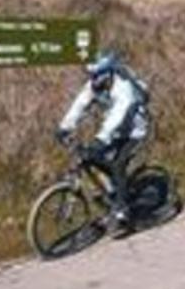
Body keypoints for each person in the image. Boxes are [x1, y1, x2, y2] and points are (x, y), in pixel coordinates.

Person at [56, 51, 151, 230]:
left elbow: (118, 116)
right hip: (116, 132)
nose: (93, 80)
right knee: (94, 158)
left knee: (117, 164)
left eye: (96, 75)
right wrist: (65, 126)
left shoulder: (124, 89)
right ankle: (116, 192)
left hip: (135, 131)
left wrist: (100, 139)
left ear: (107, 73)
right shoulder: (95, 84)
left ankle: (122, 209)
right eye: (91, 76)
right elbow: (80, 104)